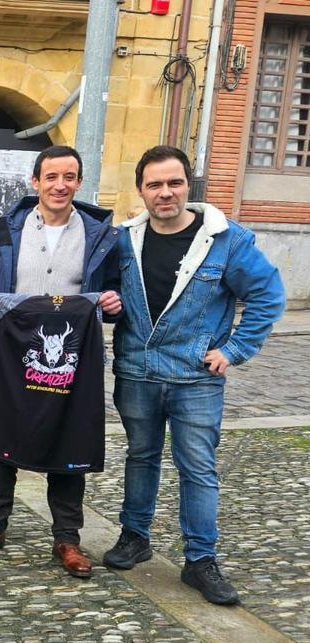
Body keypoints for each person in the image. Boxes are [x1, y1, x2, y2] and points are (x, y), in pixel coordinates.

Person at [102, 146, 284, 604]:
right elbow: (106, 295)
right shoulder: (124, 240)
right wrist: (109, 305)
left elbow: (268, 295)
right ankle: (134, 536)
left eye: (174, 183)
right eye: (155, 185)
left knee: (198, 469)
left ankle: (200, 559)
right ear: (141, 190)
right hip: (138, 371)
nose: (165, 193)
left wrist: (235, 349)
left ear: (189, 185)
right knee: (140, 456)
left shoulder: (225, 240)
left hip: (196, 378)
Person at [0, 145, 122, 578]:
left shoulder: (101, 236)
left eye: (69, 177)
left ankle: (67, 539)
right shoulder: (4, 231)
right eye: (51, 177)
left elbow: (115, 291)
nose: (60, 185)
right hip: (11, 354)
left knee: (69, 437)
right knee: (1, 439)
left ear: (79, 182)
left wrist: (112, 302)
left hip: (71, 358)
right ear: (35, 181)